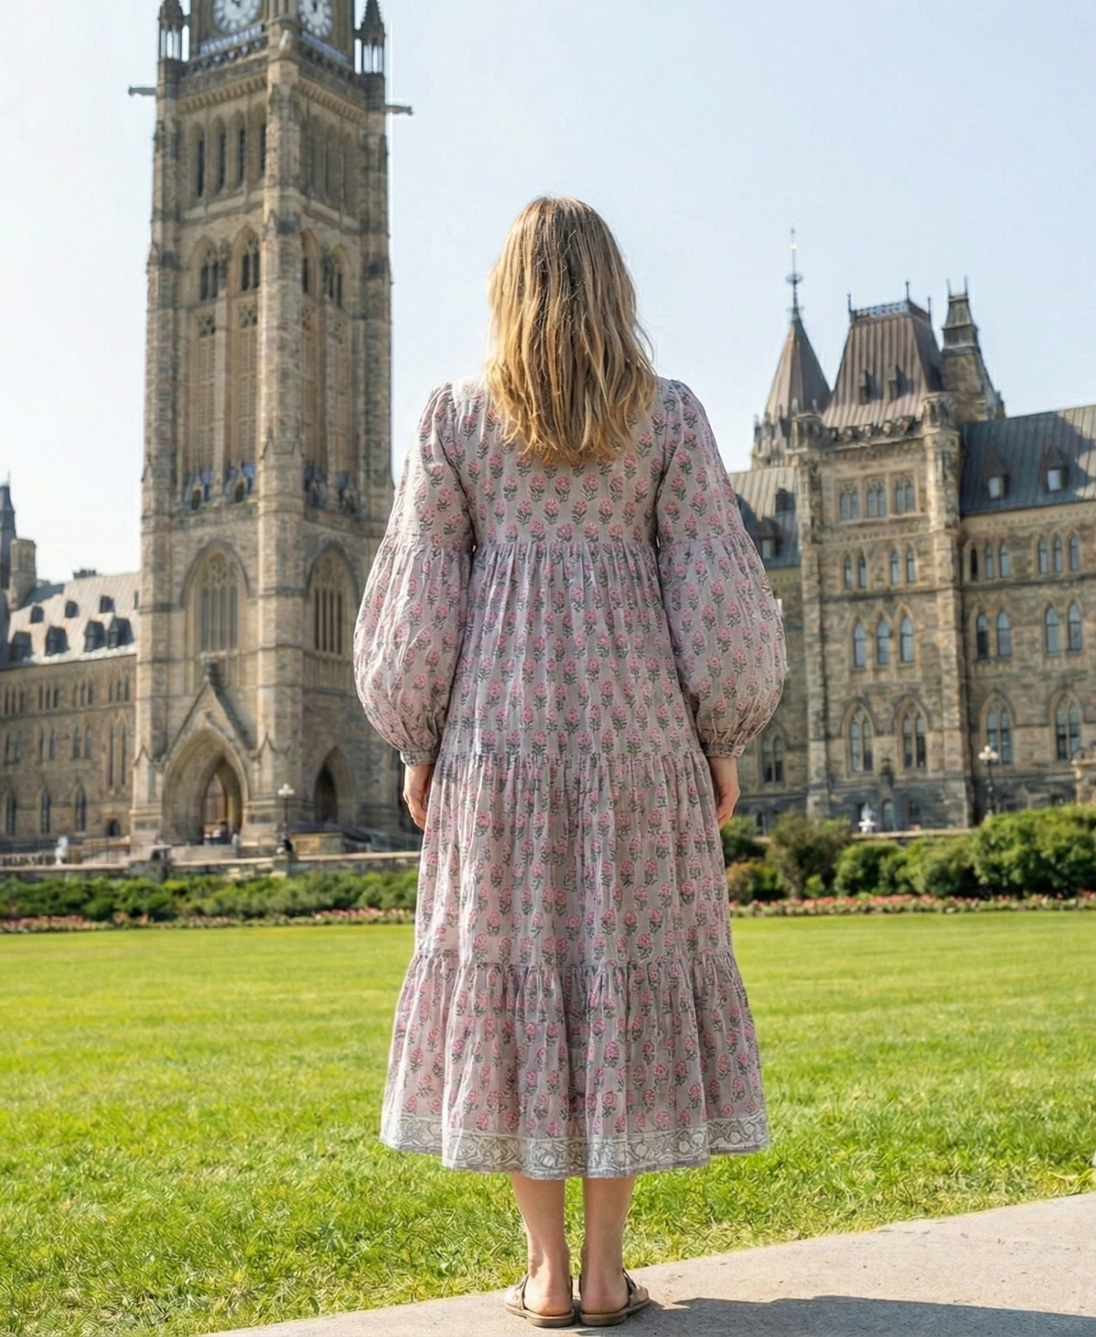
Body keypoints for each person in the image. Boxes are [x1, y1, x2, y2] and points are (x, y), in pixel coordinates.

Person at [354, 197, 787, 1328]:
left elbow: (421, 593)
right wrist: (721, 737)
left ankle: (540, 1271)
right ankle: (605, 1272)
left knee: (519, 988)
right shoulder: (669, 417)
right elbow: (713, 586)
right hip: (639, 740)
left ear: (506, 292)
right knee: (617, 982)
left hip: (496, 746)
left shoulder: (453, 416)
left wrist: (416, 737)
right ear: (613, 290)